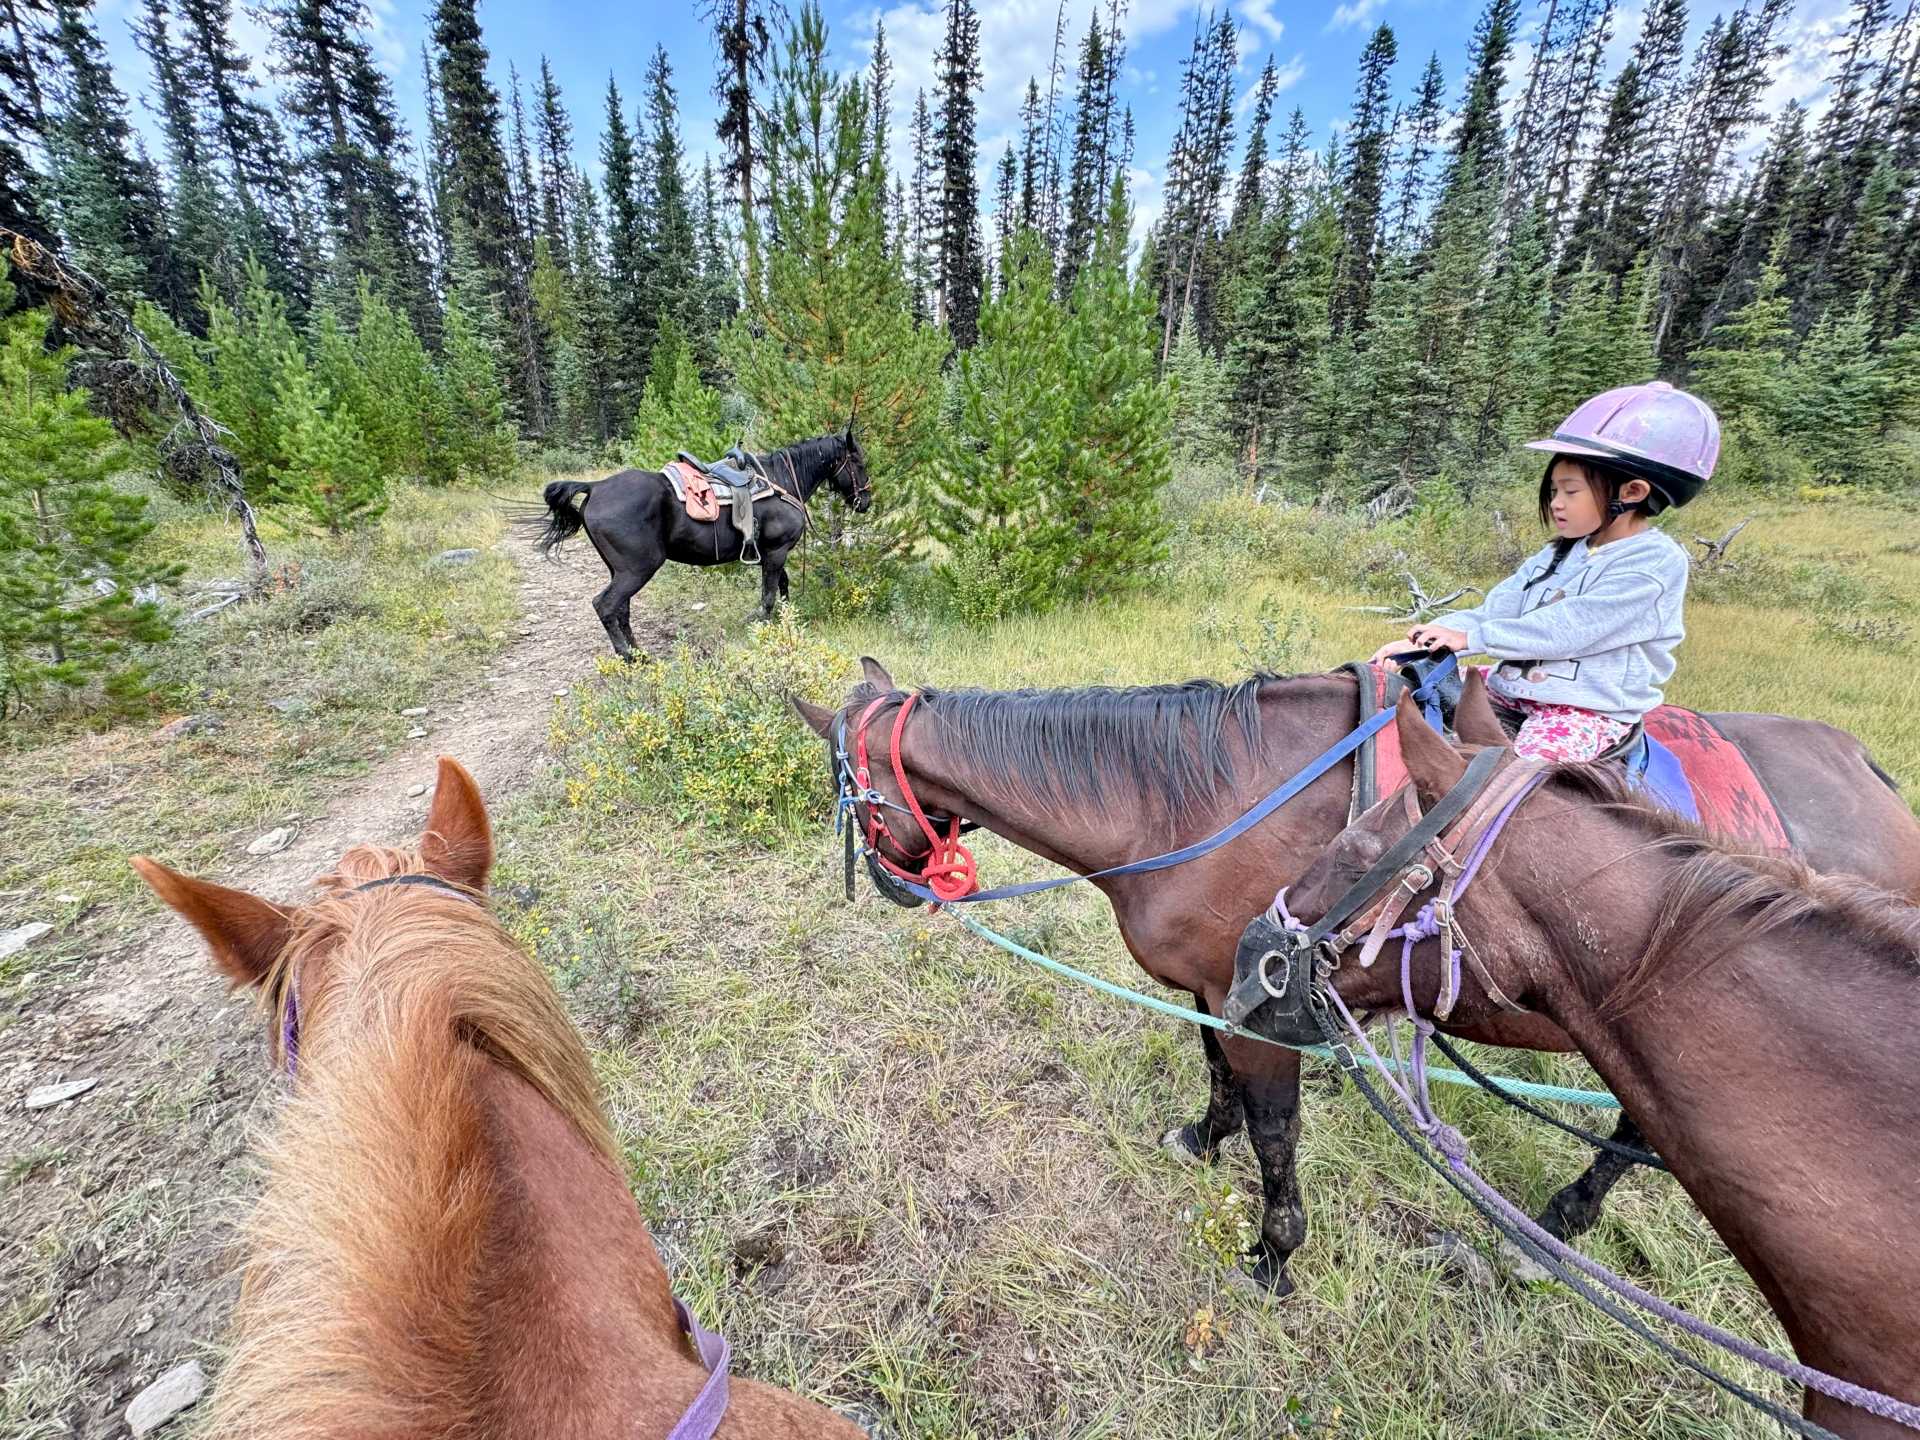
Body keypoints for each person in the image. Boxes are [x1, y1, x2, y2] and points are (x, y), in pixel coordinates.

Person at [1370, 381, 1719, 763]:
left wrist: (1471, 638)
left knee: (1518, 781)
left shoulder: (1652, 564)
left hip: (1582, 709)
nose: (1556, 504)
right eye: (1553, 491)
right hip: (1515, 689)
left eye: (1570, 491)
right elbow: (1496, 610)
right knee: (1400, 692)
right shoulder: (1560, 552)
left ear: (1632, 492)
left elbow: (1568, 628)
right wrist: (1427, 641)